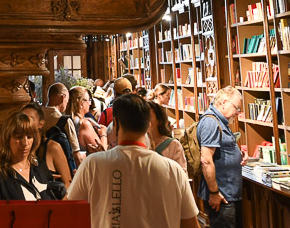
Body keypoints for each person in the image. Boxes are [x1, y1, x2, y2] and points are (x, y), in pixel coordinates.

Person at [67, 94, 198, 228]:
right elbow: (191, 224)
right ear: (148, 125)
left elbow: (67, 212)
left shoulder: (93, 164)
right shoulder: (173, 170)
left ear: (116, 123)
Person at [0, 111, 55, 200]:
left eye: (29, 137)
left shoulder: (39, 170)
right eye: (19, 137)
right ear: (7, 139)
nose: (25, 143)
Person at [198, 85, 245, 228]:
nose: (237, 112)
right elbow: (206, 160)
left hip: (228, 193)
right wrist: (214, 193)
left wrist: (237, 154)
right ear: (224, 102)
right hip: (221, 196)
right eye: (236, 108)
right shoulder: (211, 122)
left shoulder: (220, 121)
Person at [21, 103, 73, 189]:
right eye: (23, 119)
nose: (26, 123)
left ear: (41, 124)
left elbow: (68, 183)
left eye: (30, 119)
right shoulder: (19, 147)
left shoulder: (53, 147)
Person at [44, 82, 79, 172]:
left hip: (39, 169)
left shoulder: (36, 116)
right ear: (63, 98)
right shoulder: (65, 121)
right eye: (67, 100)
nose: (66, 104)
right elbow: (76, 154)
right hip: (61, 171)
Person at [147, 100, 187, 171]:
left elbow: (182, 175)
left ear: (159, 121)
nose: (144, 121)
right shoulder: (137, 146)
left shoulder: (173, 145)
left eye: (148, 117)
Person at [67, 86, 106, 156]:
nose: (90, 104)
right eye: (89, 100)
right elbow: (102, 154)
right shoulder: (84, 124)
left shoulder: (67, 120)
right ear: (81, 103)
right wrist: (103, 134)